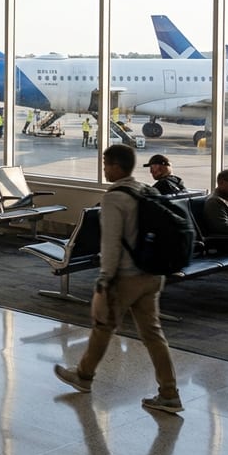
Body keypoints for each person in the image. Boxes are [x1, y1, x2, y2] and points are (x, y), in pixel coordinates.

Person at [54, 144, 183, 414]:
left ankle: (84, 376)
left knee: (103, 326)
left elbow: (111, 243)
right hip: (152, 274)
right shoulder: (144, 190)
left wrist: (104, 280)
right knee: (153, 334)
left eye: (105, 164)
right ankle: (169, 393)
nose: (103, 168)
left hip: (126, 277)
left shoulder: (114, 198)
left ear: (115, 167)